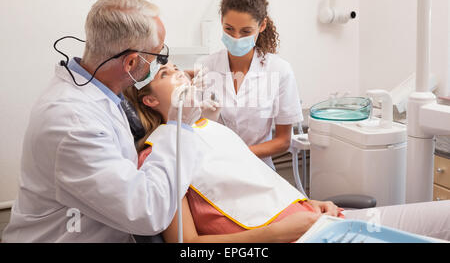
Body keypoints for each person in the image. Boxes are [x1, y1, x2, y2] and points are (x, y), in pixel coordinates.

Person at [125, 62, 450, 243]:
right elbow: (186, 246)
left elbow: (263, 188)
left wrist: (309, 202)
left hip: (324, 220)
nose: (178, 72)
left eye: (179, 69)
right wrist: (274, 235)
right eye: (166, 75)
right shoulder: (159, 155)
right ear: (149, 101)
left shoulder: (213, 130)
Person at [2, 0, 204, 242]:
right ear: (131, 62)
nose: (165, 63)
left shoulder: (101, 92)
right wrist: (180, 126)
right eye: (159, 57)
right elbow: (148, 212)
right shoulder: (71, 121)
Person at [196, 0, 303, 170]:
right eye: (229, 29)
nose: (236, 37)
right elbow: (192, 127)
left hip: (258, 168)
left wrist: (239, 155)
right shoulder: (205, 66)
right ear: (221, 21)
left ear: (262, 25)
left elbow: (283, 140)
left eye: (246, 31)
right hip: (212, 167)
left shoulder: (280, 70)